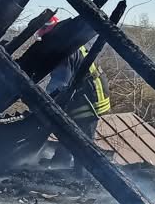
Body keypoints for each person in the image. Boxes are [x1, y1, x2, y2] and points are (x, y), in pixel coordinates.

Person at [37, 16, 112, 169]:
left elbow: (60, 82)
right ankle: (61, 163)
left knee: (82, 136)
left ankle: (84, 172)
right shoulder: (68, 42)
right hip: (89, 92)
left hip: (90, 98)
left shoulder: (64, 50)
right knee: (70, 130)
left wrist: (45, 100)